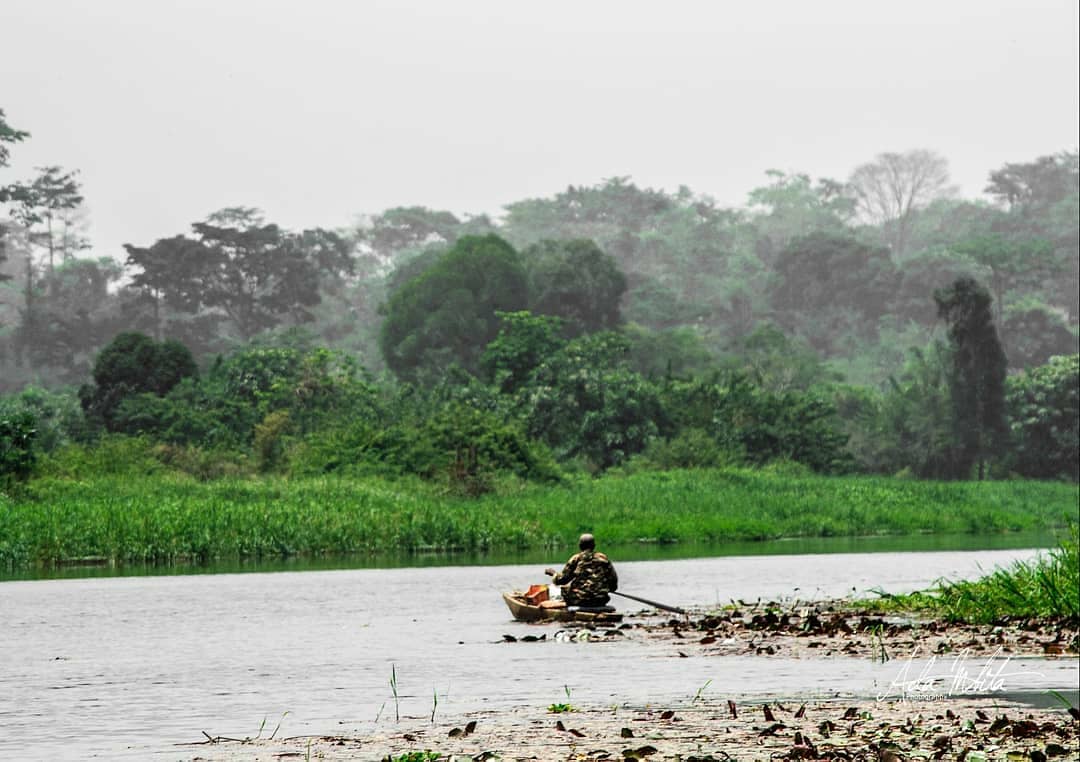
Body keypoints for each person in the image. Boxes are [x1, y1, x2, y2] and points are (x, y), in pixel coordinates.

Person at [544, 533, 618, 607]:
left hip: (580, 600)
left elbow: (562, 580)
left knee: (565, 589)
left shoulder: (576, 559)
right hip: (601, 600)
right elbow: (613, 582)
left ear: (580, 546)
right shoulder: (603, 558)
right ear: (594, 546)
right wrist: (605, 589)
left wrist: (554, 574)